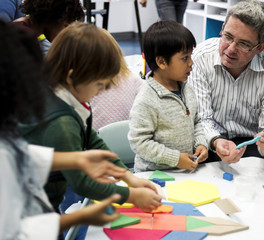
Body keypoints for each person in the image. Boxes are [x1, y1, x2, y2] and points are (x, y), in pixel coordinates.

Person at [19, 22, 161, 216]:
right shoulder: (61, 123)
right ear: (72, 77)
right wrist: (131, 195)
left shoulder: (66, 96)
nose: (102, 90)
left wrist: (129, 177)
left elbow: (92, 139)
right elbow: (82, 184)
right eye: (99, 84)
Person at [0, 20, 123, 239]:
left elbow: (18, 153)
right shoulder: (58, 119)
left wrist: (73, 160)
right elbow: (16, 232)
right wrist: (80, 217)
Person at [188, 0, 264, 164]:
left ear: (260, 48)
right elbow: (201, 118)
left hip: (252, 145)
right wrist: (216, 141)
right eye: (228, 37)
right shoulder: (201, 57)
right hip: (211, 140)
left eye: (243, 44)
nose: (230, 49)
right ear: (222, 29)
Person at [128, 20, 208, 172]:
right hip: (155, 175)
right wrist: (175, 159)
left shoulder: (187, 89)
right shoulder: (146, 99)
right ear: (162, 62)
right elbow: (140, 142)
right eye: (185, 58)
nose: (191, 63)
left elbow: (197, 121)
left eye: (191, 56)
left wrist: (201, 144)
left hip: (186, 171)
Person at [12, 0, 84, 55]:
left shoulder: (23, 29)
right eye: (65, 26)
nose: (65, 33)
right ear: (52, 16)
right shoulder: (21, 36)